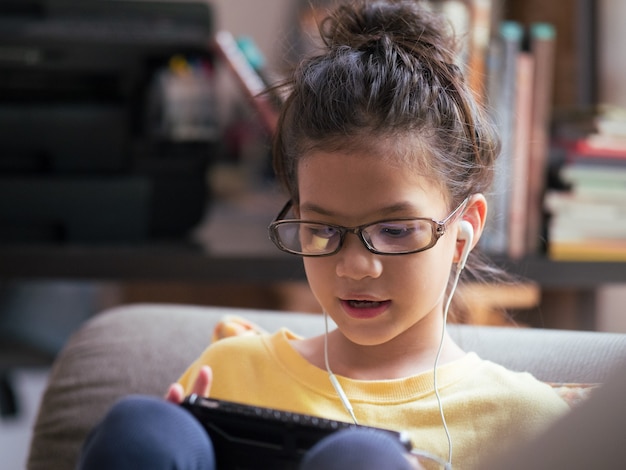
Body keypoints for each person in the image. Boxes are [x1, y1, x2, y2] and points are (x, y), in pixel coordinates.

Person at [77, 1, 569, 469]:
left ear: (463, 235)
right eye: (322, 229)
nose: (354, 266)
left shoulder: (528, 421)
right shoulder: (231, 372)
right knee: (141, 429)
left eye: (396, 230)